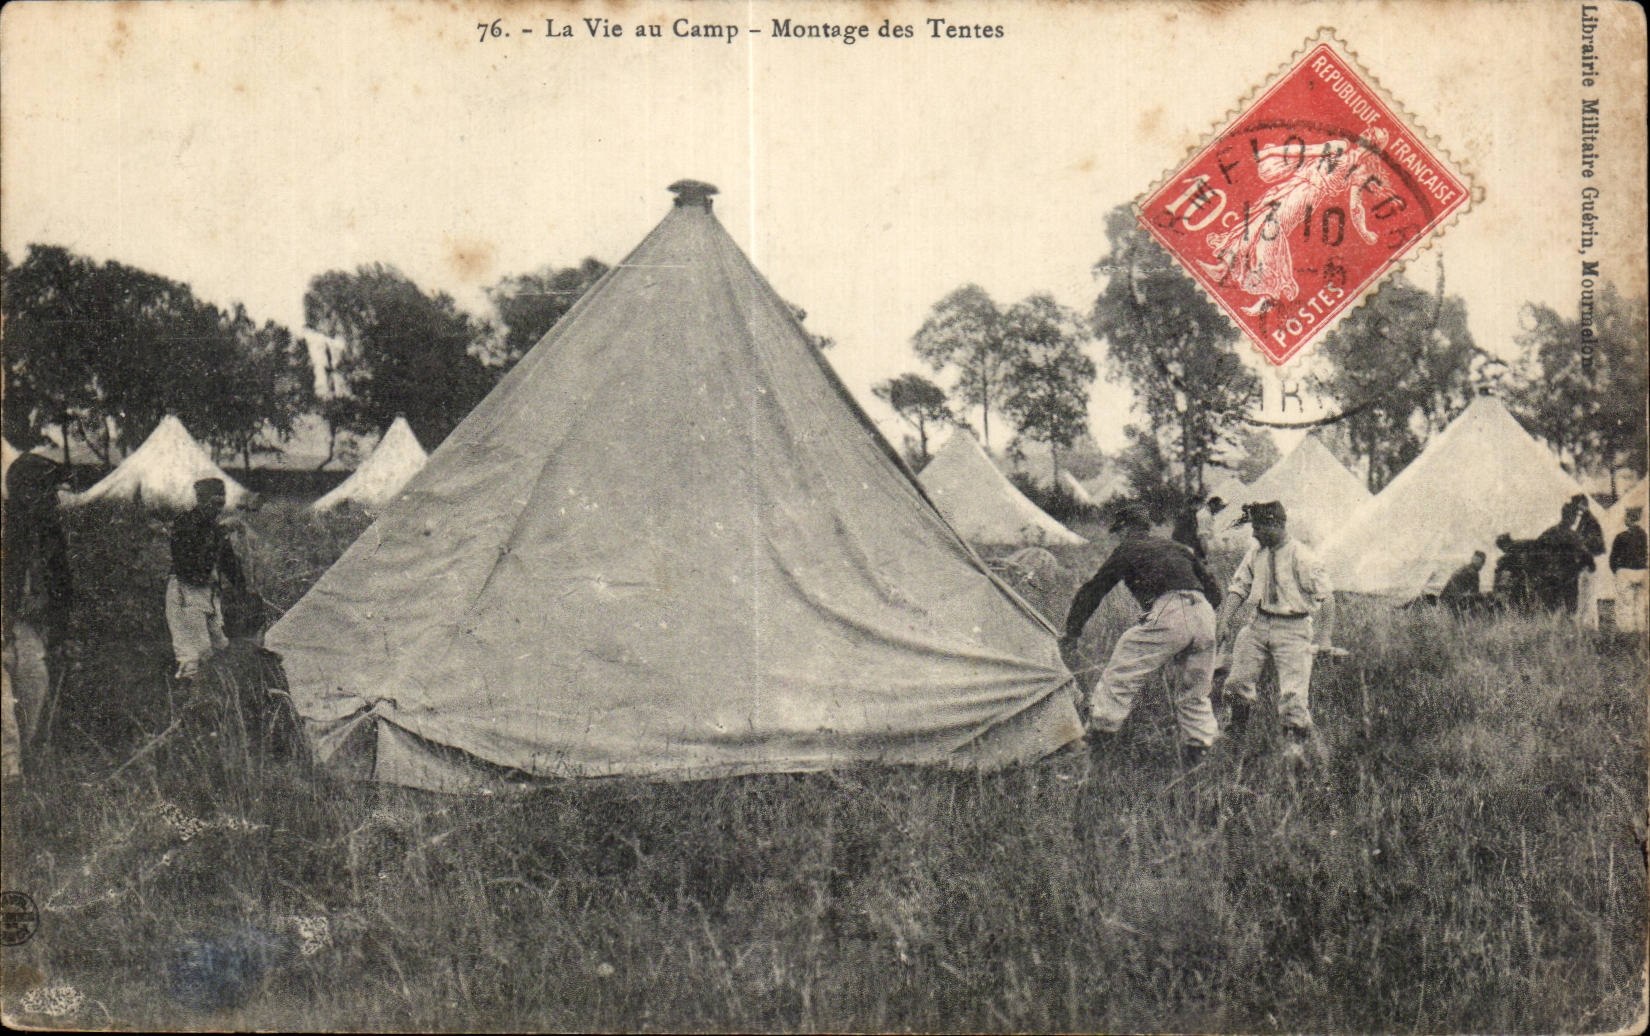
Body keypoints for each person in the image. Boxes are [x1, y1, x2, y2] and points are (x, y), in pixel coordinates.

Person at [1062, 504, 1222, 768]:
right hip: (1204, 613)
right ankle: (1198, 760)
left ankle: (1096, 756)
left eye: (1120, 531)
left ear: (1125, 529)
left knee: (1119, 678)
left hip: (1170, 609)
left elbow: (1094, 590)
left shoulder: (1128, 548)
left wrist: (1072, 632)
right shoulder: (1178, 548)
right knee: (1195, 692)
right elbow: (1214, 593)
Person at [1199, 127, 1389, 316]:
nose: (1364, 136)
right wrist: (1271, 152)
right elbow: (1304, 153)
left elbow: (1355, 206)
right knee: (1258, 221)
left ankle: (1268, 293)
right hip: (1294, 187)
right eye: (1367, 133)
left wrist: (1364, 231)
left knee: (1270, 228)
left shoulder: (1353, 163)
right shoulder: (1348, 155)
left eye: (1370, 136)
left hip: (1305, 195)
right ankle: (1225, 266)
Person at [1219, 501, 1334, 763]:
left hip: (1293, 628)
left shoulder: (1303, 557)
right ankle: (1234, 735)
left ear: (1275, 525)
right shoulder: (1256, 552)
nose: (1253, 533)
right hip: (1258, 622)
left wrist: (1324, 638)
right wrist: (1224, 620)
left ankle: (1295, 751)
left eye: (1258, 528)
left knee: (1293, 695)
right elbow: (1240, 586)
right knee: (1237, 682)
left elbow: (1328, 599)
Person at [3, 453, 73, 778]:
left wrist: (59, 635)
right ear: (29, 494)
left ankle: (19, 781)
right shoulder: (6, 529)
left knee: (34, 692)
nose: (58, 500)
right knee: (5, 720)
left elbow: (62, 586)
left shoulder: (49, 533)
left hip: (24, 630)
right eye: (51, 491)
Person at [166, 478, 245, 680]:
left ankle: (217, 698)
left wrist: (243, 590)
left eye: (222, 504)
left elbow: (229, 564)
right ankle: (187, 704)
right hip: (185, 591)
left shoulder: (214, 528)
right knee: (193, 655)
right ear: (202, 501)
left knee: (220, 647)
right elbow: (190, 567)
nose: (219, 509)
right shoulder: (185, 524)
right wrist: (220, 533)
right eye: (215, 503)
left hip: (207, 594)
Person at [1534, 502, 1596, 614]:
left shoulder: (1549, 532)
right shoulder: (1573, 536)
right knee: (1570, 611)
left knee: (1550, 611)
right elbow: (1586, 555)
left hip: (1549, 578)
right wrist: (1590, 566)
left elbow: (1536, 549)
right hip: (1568, 578)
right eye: (1575, 516)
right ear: (1571, 517)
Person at [1610, 506, 1647, 635]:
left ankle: (1626, 632)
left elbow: (1613, 558)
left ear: (1630, 518)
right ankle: (1641, 630)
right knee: (1640, 603)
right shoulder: (1644, 536)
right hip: (1642, 572)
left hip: (1625, 572)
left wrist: (1616, 571)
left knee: (1624, 604)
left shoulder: (1621, 537)